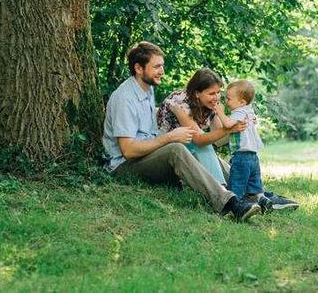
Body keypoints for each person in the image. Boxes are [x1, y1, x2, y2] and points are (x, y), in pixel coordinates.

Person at [102, 42, 261, 222]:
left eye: (162, 65)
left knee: (195, 144)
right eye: (156, 66)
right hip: (124, 166)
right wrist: (169, 137)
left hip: (147, 156)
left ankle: (257, 195)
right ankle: (229, 203)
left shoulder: (147, 89)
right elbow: (128, 151)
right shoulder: (125, 98)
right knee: (175, 148)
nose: (162, 71)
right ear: (138, 68)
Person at [157, 68, 300, 211]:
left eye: (219, 92)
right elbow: (199, 140)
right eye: (212, 93)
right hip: (166, 150)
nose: (217, 97)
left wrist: (243, 125)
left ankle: (258, 195)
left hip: (190, 148)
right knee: (205, 147)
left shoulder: (208, 105)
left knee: (231, 165)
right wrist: (228, 128)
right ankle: (226, 196)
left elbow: (219, 139)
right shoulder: (178, 101)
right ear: (197, 93)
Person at [215, 80, 272, 212]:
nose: (226, 102)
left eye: (229, 99)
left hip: (242, 156)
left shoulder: (239, 113)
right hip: (253, 156)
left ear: (242, 102)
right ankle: (261, 200)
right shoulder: (249, 111)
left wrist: (220, 112)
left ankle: (235, 207)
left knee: (237, 183)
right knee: (254, 185)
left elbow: (228, 124)